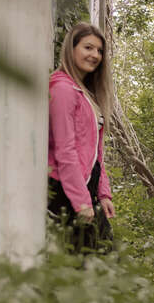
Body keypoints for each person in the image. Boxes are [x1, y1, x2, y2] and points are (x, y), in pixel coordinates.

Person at [48, 23, 115, 250]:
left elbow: (96, 152)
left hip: (88, 188)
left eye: (99, 50)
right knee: (81, 266)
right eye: (88, 47)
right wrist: (81, 201)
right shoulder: (62, 89)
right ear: (71, 48)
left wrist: (103, 193)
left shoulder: (86, 92)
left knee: (102, 262)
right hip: (67, 191)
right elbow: (64, 150)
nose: (95, 55)